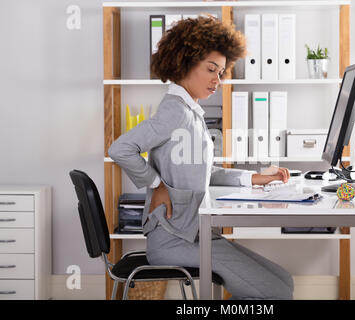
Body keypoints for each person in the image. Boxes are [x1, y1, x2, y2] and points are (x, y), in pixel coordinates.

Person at [108, 16, 294, 300]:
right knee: (277, 291)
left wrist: (255, 178)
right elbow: (120, 148)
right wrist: (157, 185)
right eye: (211, 70)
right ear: (184, 62)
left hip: (193, 233)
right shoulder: (175, 111)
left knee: (284, 279)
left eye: (220, 72)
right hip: (174, 240)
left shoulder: (190, 111)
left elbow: (203, 171)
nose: (217, 81)